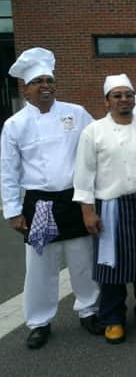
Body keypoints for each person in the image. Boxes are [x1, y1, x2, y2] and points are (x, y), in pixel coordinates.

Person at [0, 47, 101, 349]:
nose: (45, 85)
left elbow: (96, 148)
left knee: (82, 260)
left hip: (74, 199)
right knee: (41, 267)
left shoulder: (77, 112)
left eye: (49, 80)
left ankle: (89, 310)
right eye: (38, 81)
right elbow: (7, 171)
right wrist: (13, 211)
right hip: (40, 204)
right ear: (26, 88)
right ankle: (40, 321)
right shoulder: (14, 125)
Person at [73, 74, 136, 344]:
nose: (123, 100)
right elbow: (83, 175)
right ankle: (113, 319)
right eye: (117, 96)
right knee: (111, 267)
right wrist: (87, 210)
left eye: (128, 95)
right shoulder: (93, 132)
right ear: (107, 100)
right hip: (110, 207)